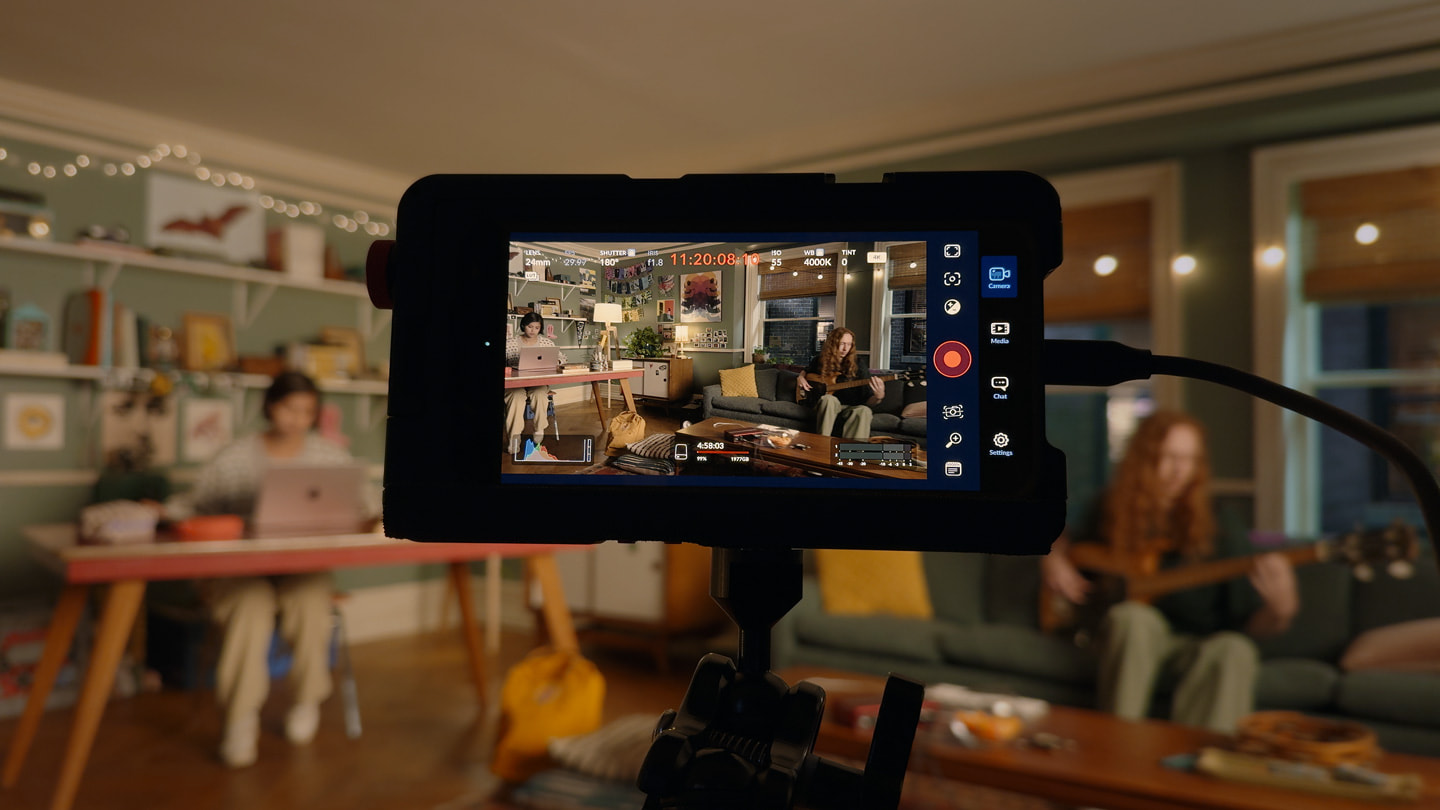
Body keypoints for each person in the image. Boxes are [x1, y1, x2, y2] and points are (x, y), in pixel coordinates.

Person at [1040, 410, 1299, 733]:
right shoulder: (1110, 508)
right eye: (1169, 457)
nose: (1179, 471)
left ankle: (1198, 767)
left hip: (1193, 648)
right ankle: (1117, 748)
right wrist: (1052, 557)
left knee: (1235, 650)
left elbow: (1251, 627)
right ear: (1143, 459)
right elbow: (1060, 537)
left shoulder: (1220, 524)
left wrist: (1280, 610)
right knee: (1135, 618)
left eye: (1189, 460)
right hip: (1125, 640)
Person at [166, 372, 375, 767]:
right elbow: (193, 508)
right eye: (289, 408)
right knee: (248, 607)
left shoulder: (330, 458)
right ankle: (241, 717)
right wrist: (159, 513)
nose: (298, 419)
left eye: (307, 411)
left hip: (303, 568)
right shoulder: (234, 458)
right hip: (239, 571)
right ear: (270, 407)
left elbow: (361, 507)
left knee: (312, 605)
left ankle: (306, 701)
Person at [796, 327, 885, 439]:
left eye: (849, 344)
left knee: (864, 411)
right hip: (828, 406)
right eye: (842, 343)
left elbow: (868, 401)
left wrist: (878, 397)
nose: (845, 348)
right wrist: (800, 377)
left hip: (850, 407)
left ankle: (851, 453)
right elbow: (807, 370)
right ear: (833, 343)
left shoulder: (859, 365)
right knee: (829, 399)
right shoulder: (819, 360)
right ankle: (822, 444)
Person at [505, 312, 567, 454]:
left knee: (539, 394)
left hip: (538, 381)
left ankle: (539, 429)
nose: (533, 331)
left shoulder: (546, 342)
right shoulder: (510, 343)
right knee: (516, 397)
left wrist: (556, 361)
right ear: (523, 326)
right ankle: (514, 439)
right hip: (515, 383)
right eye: (530, 326)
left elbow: (562, 358)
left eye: (537, 328)